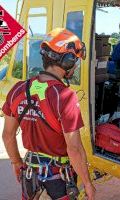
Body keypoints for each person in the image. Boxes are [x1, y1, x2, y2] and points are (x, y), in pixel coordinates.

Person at [2, 28, 95, 200]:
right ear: (67, 60)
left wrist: (16, 162)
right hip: (58, 181)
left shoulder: (17, 90)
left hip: (30, 177)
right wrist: (87, 183)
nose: (75, 65)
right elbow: (74, 148)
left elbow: (7, 135)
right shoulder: (65, 97)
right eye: (74, 60)